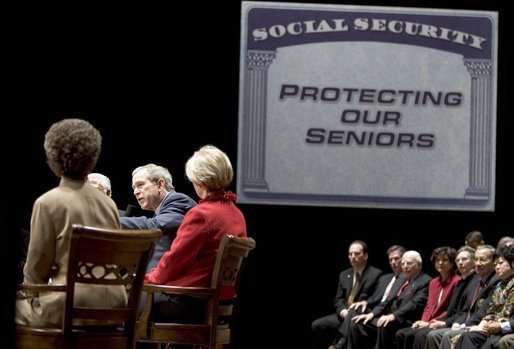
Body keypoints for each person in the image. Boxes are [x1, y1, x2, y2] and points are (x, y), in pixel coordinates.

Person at [15, 118, 126, 327]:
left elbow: (35, 273)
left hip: (69, 308)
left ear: (53, 155)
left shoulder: (48, 202)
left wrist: (28, 297)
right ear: (93, 156)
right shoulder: (109, 204)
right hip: (115, 306)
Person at [144, 145, 247, 324]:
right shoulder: (237, 214)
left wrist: (147, 278)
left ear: (199, 180)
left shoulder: (201, 214)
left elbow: (175, 261)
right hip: (218, 303)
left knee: (124, 304)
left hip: (189, 303)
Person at [326, 245, 406, 349]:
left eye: (396, 259)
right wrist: (365, 302)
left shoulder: (408, 279)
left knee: (355, 318)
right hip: (376, 311)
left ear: (404, 259)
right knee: (355, 310)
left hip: (388, 314)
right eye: (391, 260)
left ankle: (341, 342)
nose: (393, 262)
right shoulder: (385, 278)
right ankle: (343, 342)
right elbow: (375, 297)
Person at [120, 163, 197, 271]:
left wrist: (110, 220)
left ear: (160, 184)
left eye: (140, 185)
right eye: (134, 188)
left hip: (178, 279)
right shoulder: (161, 210)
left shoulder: (178, 200)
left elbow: (154, 225)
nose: (135, 192)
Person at [349, 250, 431, 349]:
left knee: (384, 324)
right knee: (357, 323)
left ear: (419, 265)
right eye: (403, 263)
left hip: (405, 319)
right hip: (389, 316)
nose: (405, 266)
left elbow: (413, 304)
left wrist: (393, 316)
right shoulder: (401, 279)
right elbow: (387, 301)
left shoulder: (425, 281)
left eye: (409, 263)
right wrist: (371, 314)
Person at [311, 240, 383, 349]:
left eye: (357, 254)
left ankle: (339, 343)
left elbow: (375, 299)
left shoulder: (375, 274)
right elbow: (338, 299)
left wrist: (356, 310)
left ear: (366, 255)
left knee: (353, 315)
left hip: (359, 315)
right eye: (350, 254)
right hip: (344, 314)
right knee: (317, 325)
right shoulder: (344, 274)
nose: (353, 257)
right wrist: (342, 311)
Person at [426, 244, 500, 349]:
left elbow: (484, 310)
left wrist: (462, 325)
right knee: (432, 334)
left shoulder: (495, 281)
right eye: (476, 259)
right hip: (467, 323)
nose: (478, 264)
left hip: (481, 325)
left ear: (494, 261)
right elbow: (465, 310)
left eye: (483, 260)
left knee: (446, 335)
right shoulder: (476, 281)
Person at [411, 245, 477, 349]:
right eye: (458, 260)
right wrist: (426, 322)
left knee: (427, 334)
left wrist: (440, 323)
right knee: (409, 333)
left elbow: (463, 311)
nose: (460, 262)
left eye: (464, 259)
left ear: (474, 261)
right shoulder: (461, 282)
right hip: (450, 320)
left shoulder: (467, 281)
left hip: (461, 323)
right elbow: (432, 306)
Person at [395, 246, 461, 349]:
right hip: (429, 322)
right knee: (402, 334)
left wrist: (428, 323)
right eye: (437, 260)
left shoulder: (457, 281)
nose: (440, 263)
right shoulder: (433, 282)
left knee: (420, 335)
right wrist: (423, 321)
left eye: (444, 260)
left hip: (442, 322)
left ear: (452, 263)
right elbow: (429, 306)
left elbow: (450, 310)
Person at [453, 244, 514, 349]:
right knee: (463, 336)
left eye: (500, 263)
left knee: (473, 338)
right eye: (495, 265)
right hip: (493, 327)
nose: (497, 267)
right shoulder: (500, 286)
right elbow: (489, 312)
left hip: (505, 328)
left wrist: (499, 326)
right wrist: (480, 326)